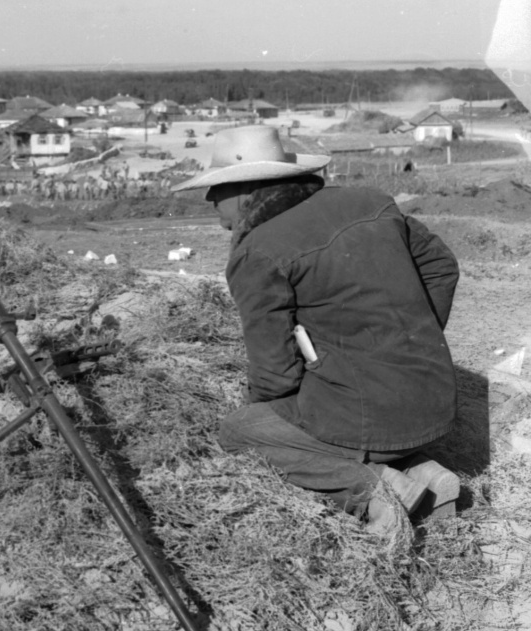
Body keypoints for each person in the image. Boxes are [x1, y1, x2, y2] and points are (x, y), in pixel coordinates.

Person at [172, 125, 461, 534]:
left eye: (216, 190)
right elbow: (441, 267)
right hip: (435, 406)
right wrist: (414, 335)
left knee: (239, 430)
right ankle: (423, 473)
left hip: (371, 422)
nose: (210, 200)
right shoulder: (371, 201)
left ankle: (374, 490)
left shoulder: (257, 252)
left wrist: (269, 409)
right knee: (346, 419)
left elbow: (275, 376)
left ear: (244, 189)